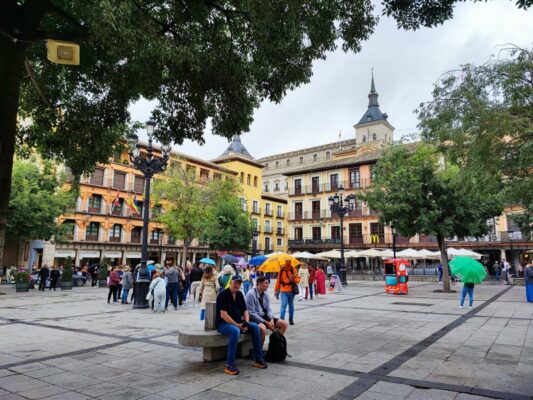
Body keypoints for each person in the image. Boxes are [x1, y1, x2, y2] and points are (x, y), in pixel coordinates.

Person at [216, 275, 266, 375]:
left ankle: (258, 359)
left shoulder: (239, 294)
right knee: (235, 331)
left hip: (238, 322)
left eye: (239, 283)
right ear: (230, 283)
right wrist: (237, 325)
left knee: (255, 327)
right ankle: (230, 365)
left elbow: (245, 310)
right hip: (223, 324)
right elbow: (223, 314)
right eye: (235, 283)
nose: (237, 285)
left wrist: (246, 322)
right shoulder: (223, 294)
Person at [245, 276, 288, 346]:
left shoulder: (265, 294)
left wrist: (271, 319)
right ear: (259, 283)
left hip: (265, 317)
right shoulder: (251, 294)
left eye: (268, 283)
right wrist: (265, 322)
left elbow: (268, 308)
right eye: (266, 283)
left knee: (284, 324)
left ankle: (275, 346)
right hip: (255, 318)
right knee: (263, 329)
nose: (268, 285)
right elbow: (251, 313)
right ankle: (259, 351)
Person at [274, 260, 300, 325]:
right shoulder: (282, 270)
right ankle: (283, 319)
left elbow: (297, 280)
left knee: (287, 305)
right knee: (286, 305)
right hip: (284, 290)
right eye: (286, 262)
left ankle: (289, 319)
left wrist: (293, 279)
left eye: (288, 262)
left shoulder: (293, 270)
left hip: (290, 291)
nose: (287, 264)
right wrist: (275, 289)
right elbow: (279, 280)